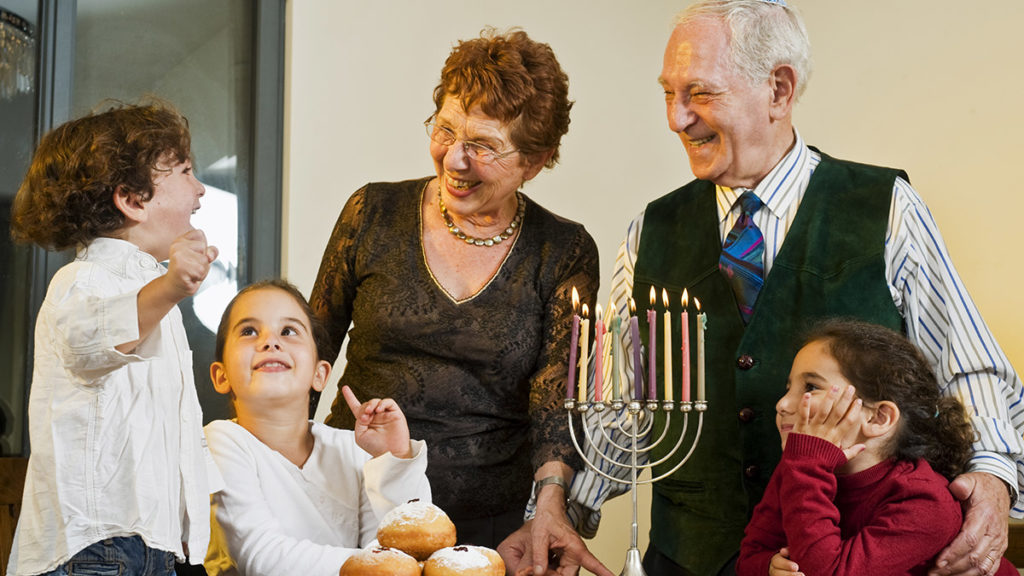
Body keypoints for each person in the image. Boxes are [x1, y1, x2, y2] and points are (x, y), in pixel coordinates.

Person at [565, 1, 1024, 575]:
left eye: (699, 93)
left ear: (779, 90)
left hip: (848, 555)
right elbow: (624, 407)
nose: (676, 119)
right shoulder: (650, 231)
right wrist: (563, 506)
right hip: (688, 559)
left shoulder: (885, 210)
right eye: (668, 93)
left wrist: (991, 477)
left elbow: (970, 365)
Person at [309, 27, 612, 576]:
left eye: (484, 146)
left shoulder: (563, 251)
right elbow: (311, 351)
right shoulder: (371, 212)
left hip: (486, 533)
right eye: (445, 130)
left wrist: (549, 509)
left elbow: (556, 403)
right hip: (351, 506)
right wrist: (272, 477)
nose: (454, 158)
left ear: (536, 160)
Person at [6, 101, 222, 575]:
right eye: (185, 171)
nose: (201, 189)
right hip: (97, 546)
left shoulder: (156, 304)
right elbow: (93, 340)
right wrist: (170, 287)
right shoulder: (83, 281)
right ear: (132, 199)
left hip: (152, 546)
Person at [737, 319, 1018, 576]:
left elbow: (829, 572)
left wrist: (808, 466)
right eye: (788, 388)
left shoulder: (925, 503)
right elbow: (750, 557)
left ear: (878, 417)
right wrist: (769, 568)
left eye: (810, 387)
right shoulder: (799, 468)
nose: (782, 404)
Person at [203, 279, 432, 576]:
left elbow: (409, 543)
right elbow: (260, 556)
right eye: (249, 331)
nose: (270, 342)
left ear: (320, 374)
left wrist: (394, 460)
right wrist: (377, 564)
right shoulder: (219, 442)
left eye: (289, 331)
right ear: (221, 377)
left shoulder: (353, 448)